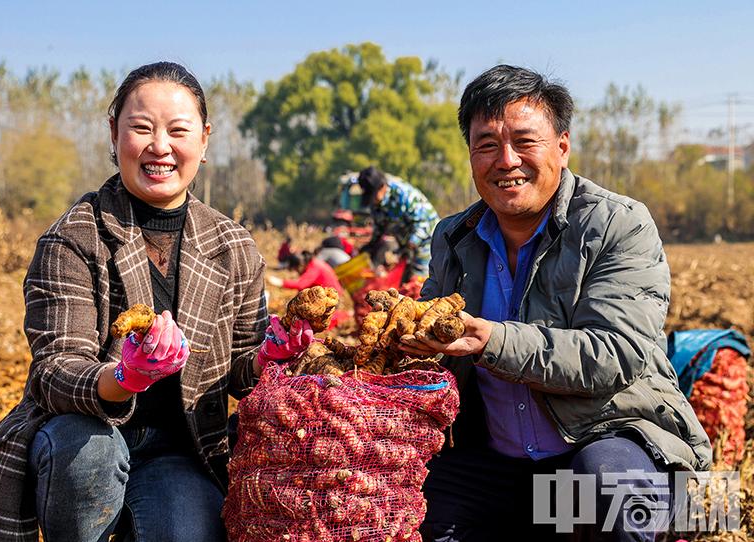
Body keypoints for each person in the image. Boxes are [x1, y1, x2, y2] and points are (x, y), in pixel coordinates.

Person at [0, 62, 313, 542]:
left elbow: (239, 369)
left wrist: (268, 356)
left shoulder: (232, 244)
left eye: (178, 130)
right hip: (86, 434)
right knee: (88, 453)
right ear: (114, 134)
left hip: (181, 448)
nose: (160, 146)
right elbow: (54, 370)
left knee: (186, 529)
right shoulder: (75, 237)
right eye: (141, 128)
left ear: (204, 139)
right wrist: (124, 377)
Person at [399, 65, 712, 541]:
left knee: (604, 492)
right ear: (470, 156)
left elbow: (615, 354)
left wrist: (492, 341)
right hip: (495, 462)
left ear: (562, 147)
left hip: (596, 443)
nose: (506, 160)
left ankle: (677, 517)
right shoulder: (453, 236)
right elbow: (432, 339)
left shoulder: (616, 224)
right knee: (398, 502)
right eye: (487, 145)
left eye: (525, 141)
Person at [357, 166, 439, 283]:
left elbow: (422, 224)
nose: (372, 200)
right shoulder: (376, 204)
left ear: (382, 187)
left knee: (419, 282)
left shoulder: (403, 194)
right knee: (403, 283)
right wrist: (371, 246)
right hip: (405, 243)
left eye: (373, 195)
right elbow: (380, 227)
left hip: (427, 241)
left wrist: (408, 248)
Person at [267, 250, 350, 329]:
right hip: (324, 295)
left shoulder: (314, 267)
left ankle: (345, 316)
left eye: (296, 269)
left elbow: (301, 284)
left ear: (300, 265)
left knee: (319, 324)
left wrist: (281, 282)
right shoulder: (313, 263)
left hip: (331, 297)